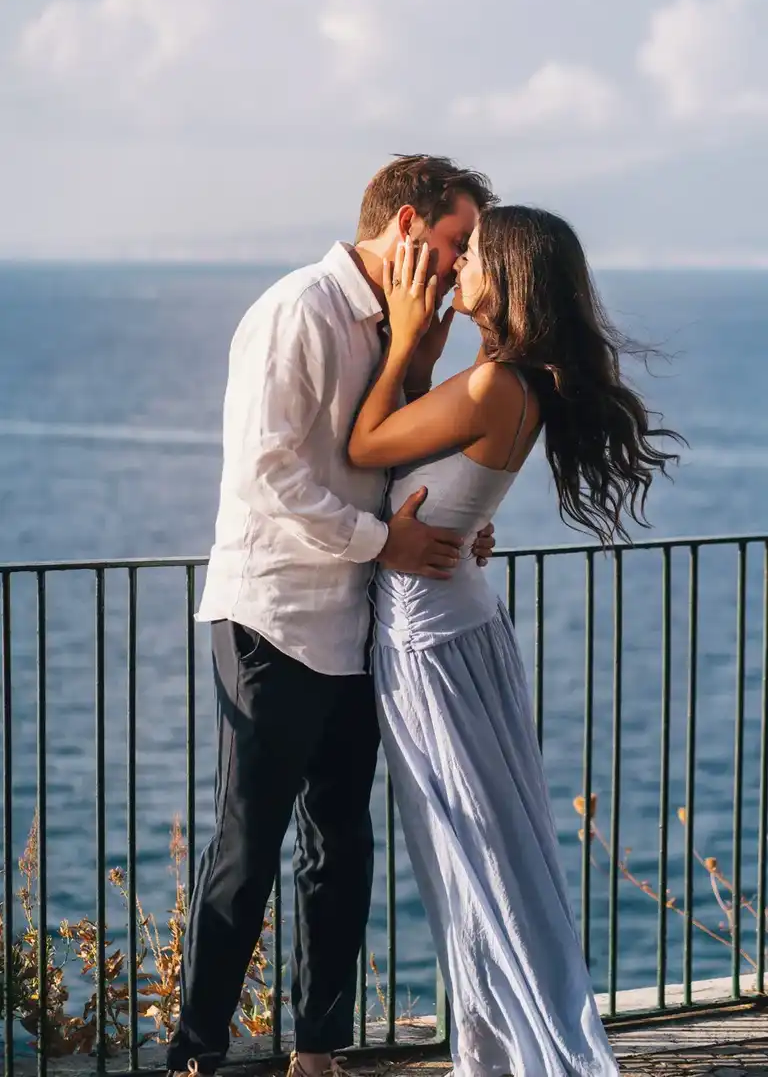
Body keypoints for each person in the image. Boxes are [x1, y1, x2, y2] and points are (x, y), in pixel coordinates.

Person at [166, 156, 499, 1077]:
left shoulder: (399, 328)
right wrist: (383, 542)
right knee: (248, 849)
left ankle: (316, 1055)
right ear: (405, 225)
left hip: (354, 625)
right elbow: (266, 475)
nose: (461, 264)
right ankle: (195, 1057)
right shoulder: (299, 311)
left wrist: (453, 523)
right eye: (457, 241)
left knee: (340, 849)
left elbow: (391, 462)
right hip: (273, 618)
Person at [347, 207, 682, 1077]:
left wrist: (405, 341)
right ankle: (500, 1047)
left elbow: (365, 444)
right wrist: (428, 366)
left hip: (429, 642)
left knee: (470, 855)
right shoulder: (513, 382)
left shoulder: (494, 383)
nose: (456, 266)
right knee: (491, 850)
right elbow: (442, 474)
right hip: (459, 626)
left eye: (472, 256)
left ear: (507, 278)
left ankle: (517, 1051)